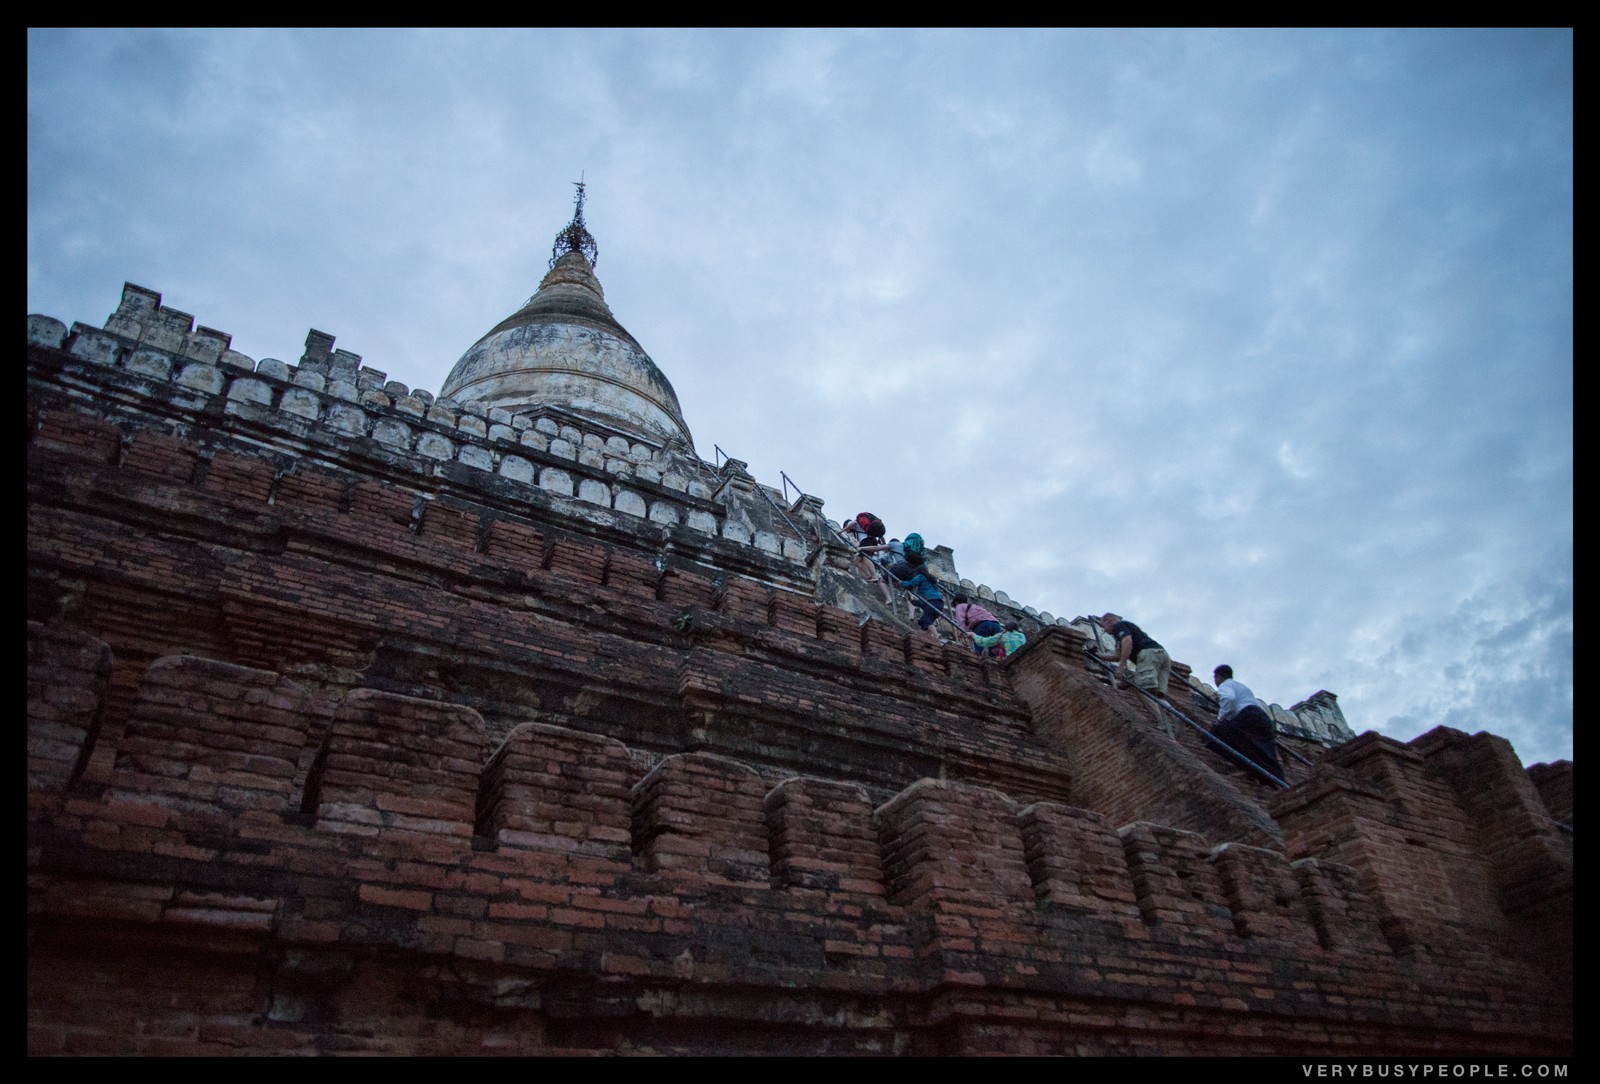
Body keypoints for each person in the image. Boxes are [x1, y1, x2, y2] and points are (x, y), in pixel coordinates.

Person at [1207, 665, 1284, 781]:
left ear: (1218, 677)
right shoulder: (1241, 687)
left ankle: (1247, 767)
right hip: (1262, 718)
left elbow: (1229, 698)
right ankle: (1275, 778)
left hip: (1248, 716)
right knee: (1264, 749)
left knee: (1215, 735)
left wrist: (1220, 719)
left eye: (1215, 678)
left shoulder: (1225, 685)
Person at [1097, 613, 1172, 697]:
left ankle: (1153, 709)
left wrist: (1121, 667)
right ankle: (1161, 708)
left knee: (1143, 690)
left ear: (1109, 620)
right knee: (1158, 694)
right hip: (1162, 656)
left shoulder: (1119, 625)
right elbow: (1117, 656)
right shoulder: (1121, 635)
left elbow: (1128, 641)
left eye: (1104, 627)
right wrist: (1098, 655)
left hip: (1149, 655)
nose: (1105, 631)